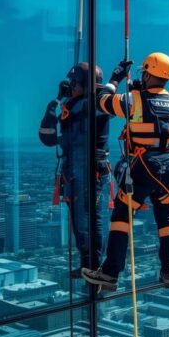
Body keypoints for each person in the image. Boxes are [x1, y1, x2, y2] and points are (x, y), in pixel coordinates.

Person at [82, 52, 169, 290]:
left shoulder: (133, 100)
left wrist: (114, 79)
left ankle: (110, 273)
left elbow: (102, 101)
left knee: (121, 218)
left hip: (143, 165)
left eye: (144, 73)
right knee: (167, 222)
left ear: (148, 73)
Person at [39, 63, 110, 278]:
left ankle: (94, 264)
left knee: (88, 220)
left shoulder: (95, 103)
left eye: (73, 83)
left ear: (82, 84)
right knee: (80, 222)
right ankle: (87, 263)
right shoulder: (73, 106)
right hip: (76, 173)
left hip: (87, 173)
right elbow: (47, 138)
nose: (71, 86)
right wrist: (57, 101)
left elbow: (104, 100)